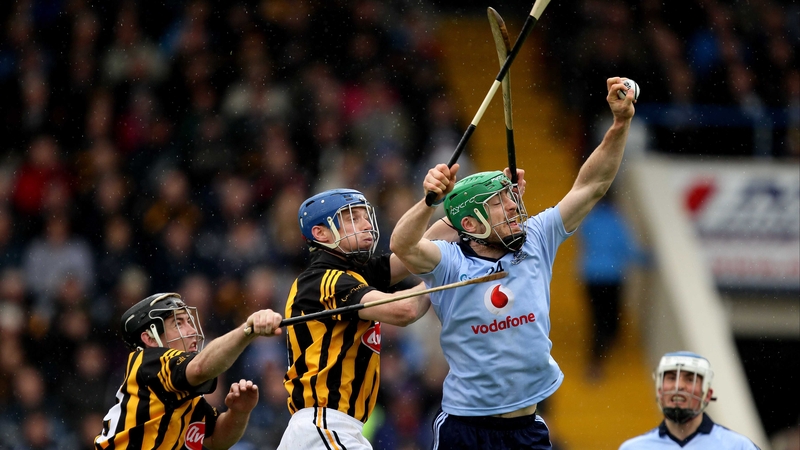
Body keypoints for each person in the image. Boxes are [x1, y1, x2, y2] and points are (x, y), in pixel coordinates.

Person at [389, 77, 637, 449]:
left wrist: (619, 125)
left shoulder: (537, 237)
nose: (513, 206)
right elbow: (403, 246)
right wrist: (429, 202)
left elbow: (592, 185)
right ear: (470, 224)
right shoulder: (448, 262)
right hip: (465, 428)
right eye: (498, 202)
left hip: (527, 427)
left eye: (510, 198)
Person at [276, 188, 431, 450]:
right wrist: (447, 272)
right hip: (324, 426)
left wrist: (450, 207)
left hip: (330, 428)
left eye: (365, 216)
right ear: (321, 233)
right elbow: (405, 310)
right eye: (352, 218)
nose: (367, 224)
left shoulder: (353, 275)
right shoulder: (325, 280)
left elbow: (419, 251)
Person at [94, 292, 283, 449]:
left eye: (189, 322)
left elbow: (217, 439)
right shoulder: (150, 362)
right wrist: (247, 330)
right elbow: (200, 368)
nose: (192, 331)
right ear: (149, 339)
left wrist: (239, 412)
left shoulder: (182, 391)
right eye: (178, 324)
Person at [619, 351, 761, 449]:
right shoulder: (632, 448)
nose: (679, 386)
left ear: (707, 394)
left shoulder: (738, 447)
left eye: (689, 379)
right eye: (671, 378)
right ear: (659, 390)